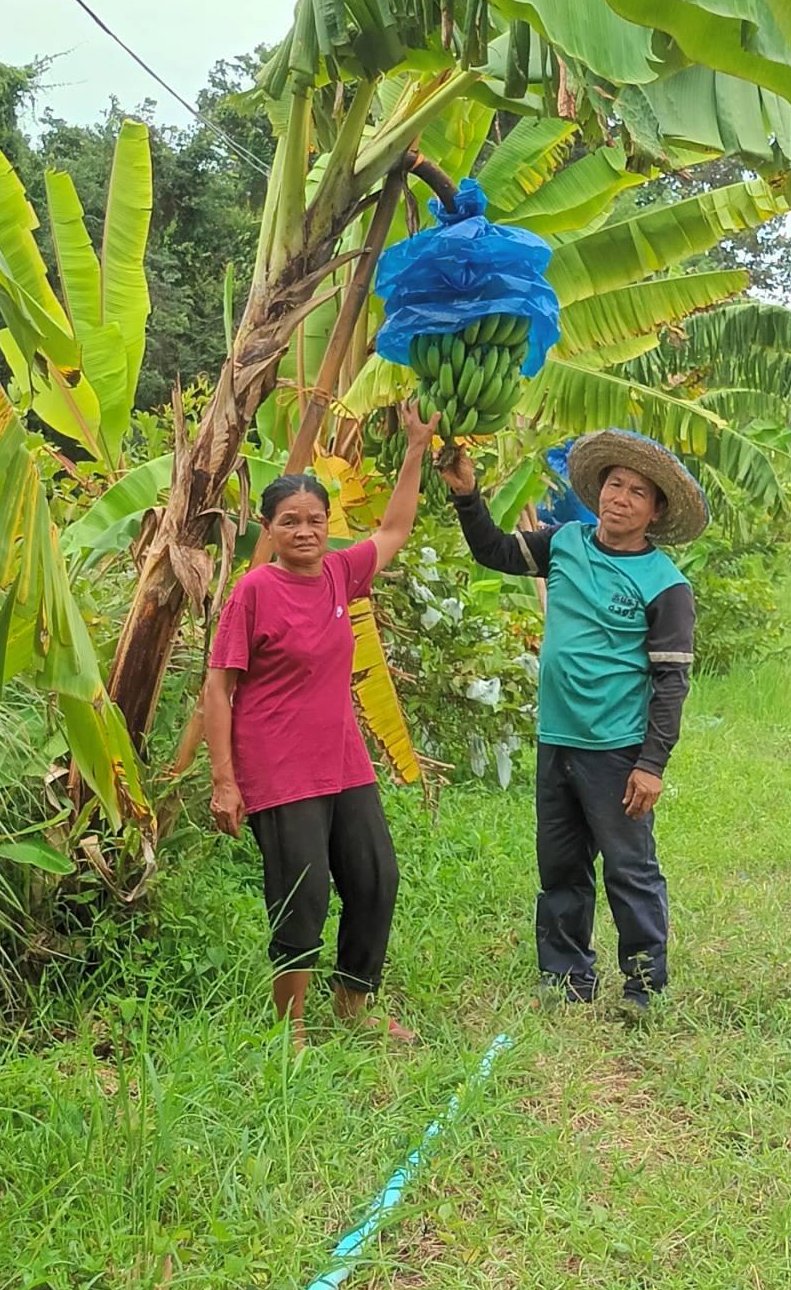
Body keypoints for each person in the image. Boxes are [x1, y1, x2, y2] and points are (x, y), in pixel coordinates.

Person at [441, 428, 709, 1016]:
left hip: (616, 749)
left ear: (655, 510)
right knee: (560, 867)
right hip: (556, 738)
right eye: (615, 484)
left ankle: (644, 987)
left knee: (630, 869)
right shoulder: (565, 543)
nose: (621, 497)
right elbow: (495, 552)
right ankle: (566, 978)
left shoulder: (666, 585)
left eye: (638, 492)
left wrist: (651, 764)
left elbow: (671, 685)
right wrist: (467, 496)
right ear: (598, 491)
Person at [204, 402, 438, 1049]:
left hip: (343, 762)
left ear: (326, 523)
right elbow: (219, 688)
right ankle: (292, 1029)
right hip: (279, 771)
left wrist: (416, 448)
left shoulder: (340, 571)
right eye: (290, 522)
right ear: (269, 527)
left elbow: (393, 531)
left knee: (375, 879)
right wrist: (224, 781)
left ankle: (352, 1008)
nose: (305, 531)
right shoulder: (254, 592)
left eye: (314, 520)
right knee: (301, 898)